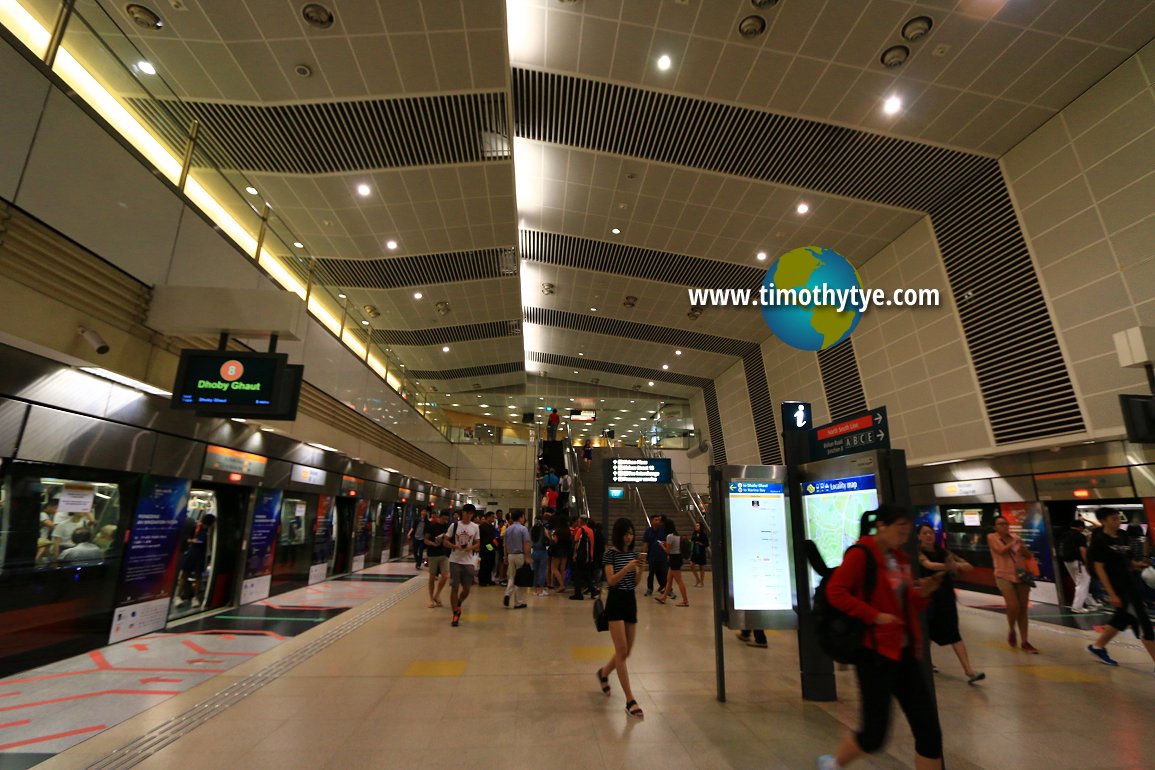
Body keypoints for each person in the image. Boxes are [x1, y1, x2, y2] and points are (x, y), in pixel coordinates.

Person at [817, 505, 945, 770]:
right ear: (882, 526)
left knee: (929, 732)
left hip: (905, 653)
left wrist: (923, 592)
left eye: (908, 531)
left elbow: (905, 602)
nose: (905, 535)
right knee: (874, 735)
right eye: (900, 528)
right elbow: (835, 592)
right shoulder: (861, 555)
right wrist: (873, 615)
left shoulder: (900, 559)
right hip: (874, 654)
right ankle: (834, 764)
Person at [1086, 507, 1155, 669]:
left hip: (1131, 582)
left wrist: (1137, 565)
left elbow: (1126, 559)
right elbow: (1099, 568)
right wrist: (1111, 593)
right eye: (1113, 519)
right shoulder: (1100, 541)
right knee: (1143, 622)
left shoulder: (1123, 536)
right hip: (1119, 587)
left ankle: (1097, 647)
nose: (1118, 522)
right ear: (1103, 521)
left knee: (1124, 618)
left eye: (1118, 518)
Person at [917, 524, 985, 684]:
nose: (929, 536)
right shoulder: (918, 553)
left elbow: (968, 566)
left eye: (931, 533)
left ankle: (969, 670)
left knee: (953, 631)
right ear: (919, 536)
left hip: (946, 597)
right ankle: (925, 663)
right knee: (927, 632)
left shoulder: (944, 552)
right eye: (925, 533)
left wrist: (955, 565)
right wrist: (951, 566)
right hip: (929, 597)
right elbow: (929, 565)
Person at [596, 517, 646, 719]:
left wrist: (640, 568)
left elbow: (633, 583)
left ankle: (604, 673)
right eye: (626, 533)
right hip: (615, 602)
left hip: (630, 601)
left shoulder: (632, 554)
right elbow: (611, 580)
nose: (629, 536)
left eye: (631, 533)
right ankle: (630, 700)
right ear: (619, 534)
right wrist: (627, 567)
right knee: (622, 650)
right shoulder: (610, 554)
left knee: (626, 652)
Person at [987, 516, 1038, 653]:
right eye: (1000, 524)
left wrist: (1023, 548)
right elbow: (1001, 551)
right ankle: (1011, 629)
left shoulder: (1015, 537)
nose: (1004, 526)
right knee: (1013, 605)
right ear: (995, 527)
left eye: (1006, 523)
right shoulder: (992, 537)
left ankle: (1025, 641)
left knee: (1022, 608)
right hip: (1003, 575)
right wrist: (1014, 542)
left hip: (1021, 575)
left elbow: (1027, 555)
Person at [447, 504, 481, 627]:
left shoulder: (475, 527)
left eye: (471, 513)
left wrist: (470, 548)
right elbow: (446, 540)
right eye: (466, 513)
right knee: (454, 587)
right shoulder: (454, 525)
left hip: (468, 561)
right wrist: (454, 546)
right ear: (463, 513)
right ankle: (455, 614)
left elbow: (478, 543)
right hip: (455, 560)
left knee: (466, 588)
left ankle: (459, 603)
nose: (468, 515)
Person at [175, 514, 216, 608]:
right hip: (192, 552)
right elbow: (187, 539)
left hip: (202, 554)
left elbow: (210, 545)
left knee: (198, 576)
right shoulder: (196, 527)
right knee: (185, 574)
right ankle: (178, 596)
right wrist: (193, 540)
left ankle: (195, 597)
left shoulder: (211, 531)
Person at [1060, 520, 1096, 613]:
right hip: (1078, 562)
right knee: (1083, 583)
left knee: (1080, 583)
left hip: (1067, 562)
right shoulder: (1080, 536)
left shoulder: (1064, 535)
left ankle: (1091, 603)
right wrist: (1087, 563)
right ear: (1080, 527)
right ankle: (1077, 607)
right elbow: (1082, 550)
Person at [656, 518, 689, 606]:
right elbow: (674, 547)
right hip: (677, 558)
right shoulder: (677, 535)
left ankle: (685, 601)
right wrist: (665, 543)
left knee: (679, 581)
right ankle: (663, 598)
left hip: (674, 559)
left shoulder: (669, 536)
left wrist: (662, 545)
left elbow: (668, 551)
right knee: (669, 580)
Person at [424, 509, 451, 608]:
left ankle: (437, 594)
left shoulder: (448, 527)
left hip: (444, 554)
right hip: (433, 554)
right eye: (444, 519)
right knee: (432, 577)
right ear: (440, 517)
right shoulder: (432, 526)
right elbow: (425, 540)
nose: (445, 521)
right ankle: (431, 598)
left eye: (447, 519)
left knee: (445, 576)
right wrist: (433, 544)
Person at [503, 511, 530, 609]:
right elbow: (526, 544)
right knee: (520, 578)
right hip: (520, 555)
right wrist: (527, 557)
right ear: (520, 517)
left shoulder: (508, 529)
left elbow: (505, 545)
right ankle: (518, 602)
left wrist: (505, 557)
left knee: (511, 576)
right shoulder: (523, 529)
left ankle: (507, 594)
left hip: (510, 555)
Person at [570, 516, 595, 600]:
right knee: (587, 574)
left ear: (581, 522)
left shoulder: (580, 530)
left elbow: (576, 543)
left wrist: (574, 554)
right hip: (589, 556)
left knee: (577, 575)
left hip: (581, 556)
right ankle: (593, 590)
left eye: (579, 521)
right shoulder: (591, 531)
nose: (578, 522)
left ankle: (578, 594)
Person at [643, 514, 668, 598]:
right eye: (656, 520)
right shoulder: (648, 531)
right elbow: (645, 544)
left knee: (663, 573)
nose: (658, 521)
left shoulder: (663, 530)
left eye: (658, 520)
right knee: (651, 573)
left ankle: (666, 588)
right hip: (652, 556)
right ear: (651, 521)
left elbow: (667, 542)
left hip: (662, 556)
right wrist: (644, 555)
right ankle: (650, 588)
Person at [530, 519, 551, 597]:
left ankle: (535, 590)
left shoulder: (532, 530)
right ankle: (541, 590)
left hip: (534, 552)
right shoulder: (543, 529)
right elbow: (548, 538)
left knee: (535, 572)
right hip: (542, 552)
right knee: (542, 571)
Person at [478, 511, 497, 587]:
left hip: (492, 549)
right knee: (484, 565)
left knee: (490, 565)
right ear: (488, 517)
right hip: (485, 549)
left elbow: (494, 538)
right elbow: (484, 540)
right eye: (492, 517)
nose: (493, 518)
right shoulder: (482, 527)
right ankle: (482, 581)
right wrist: (490, 548)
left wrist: (495, 546)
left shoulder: (492, 527)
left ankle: (488, 580)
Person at [690, 521, 709, 587]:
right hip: (695, 551)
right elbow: (692, 540)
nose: (696, 527)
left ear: (700, 527)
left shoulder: (703, 534)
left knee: (701, 567)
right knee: (691, 565)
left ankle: (702, 582)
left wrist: (701, 544)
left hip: (701, 552)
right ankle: (697, 579)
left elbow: (707, 544)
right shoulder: (694, 533)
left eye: (698, 525)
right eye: (696, 525)